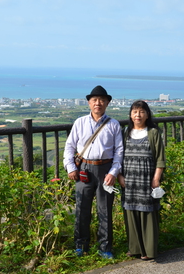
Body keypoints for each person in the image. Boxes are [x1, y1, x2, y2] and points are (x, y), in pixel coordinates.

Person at [63, 85, 124, 259]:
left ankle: (105, 247)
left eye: (102, 100)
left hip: (106, 170)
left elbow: (119, 151)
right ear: (89, 103)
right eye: (95, 100)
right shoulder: (80, 122)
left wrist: (113, 172)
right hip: (84, 169)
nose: (98, 103)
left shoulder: (113, 124)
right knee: (82, 209)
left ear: (107, 103)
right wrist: (71, 167)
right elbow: (69, 147)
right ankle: (81, 245)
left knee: (105, 210)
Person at [118, 100, 166, 261]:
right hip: (129, 180)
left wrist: (156, 178)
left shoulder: (153, 133)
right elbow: (117, 157)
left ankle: (149, 250)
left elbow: (160, 158)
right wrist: (119, 176)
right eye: (134, 112)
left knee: (148, 213)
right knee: (131, 213)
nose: (138, 115)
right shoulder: (124, 132)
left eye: (141, 112)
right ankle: (135, 248)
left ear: (147, 114)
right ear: (130, 115)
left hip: (147, 179)